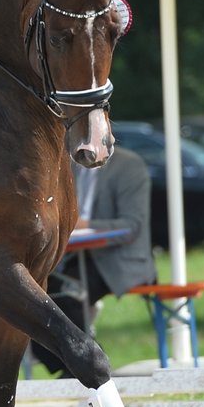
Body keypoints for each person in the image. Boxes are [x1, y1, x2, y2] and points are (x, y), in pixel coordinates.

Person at [35, 147, 158, 376]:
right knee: (32, 298)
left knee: (65, 295)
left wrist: (87, 226)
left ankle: (87, 363)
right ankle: (75, 365)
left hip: (119, 259)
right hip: (71, 257)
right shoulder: (67, 165)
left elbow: (131, 226)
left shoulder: (129, 166)